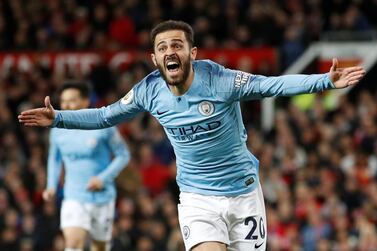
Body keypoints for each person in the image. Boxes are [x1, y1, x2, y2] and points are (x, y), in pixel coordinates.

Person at [19, 20, 365, 251]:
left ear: (192, 53)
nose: (170, 51)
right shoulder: (148, 91)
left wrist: (324, 81)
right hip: (198, 198)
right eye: (163, 47)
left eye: (177, 45)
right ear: (154, 58)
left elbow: (269, 84)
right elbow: (106, 115)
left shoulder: (219, 80)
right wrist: (59, 118)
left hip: (243, 193)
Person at [42, 82, 130, 251]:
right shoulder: (57, 130)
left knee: (100, 247)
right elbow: (54, 159)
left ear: (85, 102)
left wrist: (102, 179)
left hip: (102, 197)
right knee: (73, 244)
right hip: (74, 196)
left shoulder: (104, 125)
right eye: (63, 101)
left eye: (72, 100)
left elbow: (123, 155)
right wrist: (51, 186)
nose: (66, 105)